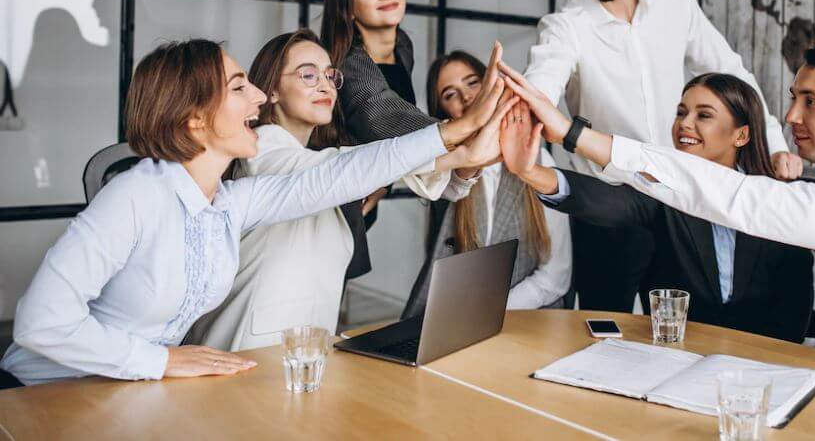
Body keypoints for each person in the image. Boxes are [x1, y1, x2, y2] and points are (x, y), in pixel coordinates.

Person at [0, 38, 512, 387]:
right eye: (240, 86)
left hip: (127, 389)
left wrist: (451, 139)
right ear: (195, 117)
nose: (260, 97)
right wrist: (161, 361)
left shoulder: (228, 204)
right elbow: (40, 324)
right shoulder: (132, 196)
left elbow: (332, 177)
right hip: (39, 394)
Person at [498, 41, 815, 387]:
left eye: (812, 103)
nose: (790, 116)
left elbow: (735, 196)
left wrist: (571, 133)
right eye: (794, 97)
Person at [523, 0, 802, 312]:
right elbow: (540, 88)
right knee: (603, 333)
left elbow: (733, 73)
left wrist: (776, 145)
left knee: (684, 333)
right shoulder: (566, 26)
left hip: (678, 204)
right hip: (607, 208)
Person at [186, 31, 479, 351]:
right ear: (270, 91)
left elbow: (434, 183)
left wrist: (468, 159)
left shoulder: (322, 163)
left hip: (301, 361)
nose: (325, 85)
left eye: (329, 75)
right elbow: (341, 170)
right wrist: (459, 140)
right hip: (242, 356)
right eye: (308, 75)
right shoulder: (263, 151)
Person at [501, 73, 813, 342]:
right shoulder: (665, 191)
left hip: (762, 367)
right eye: (681, 112)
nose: (684, 124)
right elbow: (608, 202)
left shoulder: (777, 202)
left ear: (741, 134)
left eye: (703, 115)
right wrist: (531, 172)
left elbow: (793, 311)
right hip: (677, 358)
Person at [320, 0, 496, 266]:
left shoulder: (402, 47)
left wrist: (385, 182)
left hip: (366, 190)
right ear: (348, 9)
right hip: (332, 198)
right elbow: (380, 116)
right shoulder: (347, 62)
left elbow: (394, 129)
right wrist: (467, 127)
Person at [404, 51, 572, 315]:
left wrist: (488, 311)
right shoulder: (445, 174)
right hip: (456, 317)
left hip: (530, 318)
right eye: (450, 94)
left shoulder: (539, 162)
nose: (467, 97)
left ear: (492, 84)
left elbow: (555, 277)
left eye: (472, 83)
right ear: (442, 113)